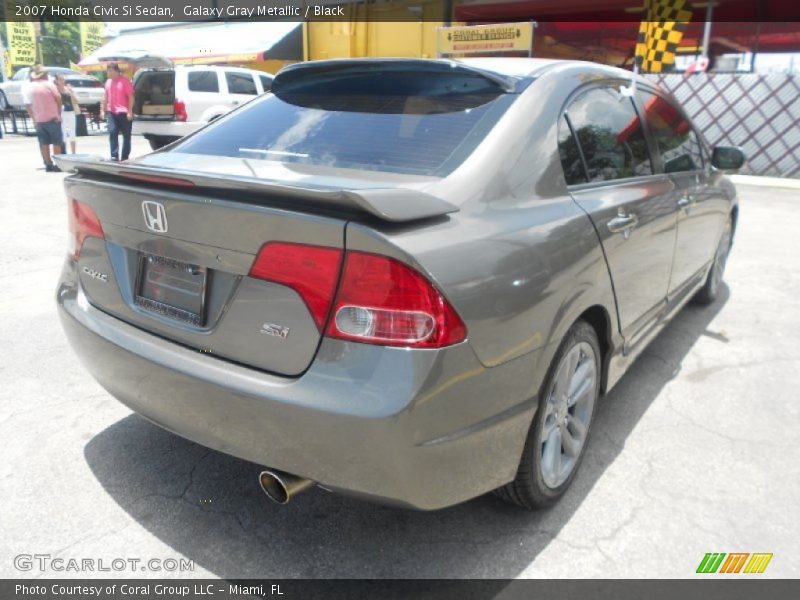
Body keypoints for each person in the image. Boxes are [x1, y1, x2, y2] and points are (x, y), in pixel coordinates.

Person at [28, 65, 63, 172]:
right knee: (57, 143)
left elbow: (29, 104)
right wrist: (59, 114)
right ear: (44, 75)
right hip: (52, 117)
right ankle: (57, 164)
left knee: (44, 144)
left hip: (39, 119)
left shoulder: (31, 87)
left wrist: (34, 118)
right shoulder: (49, 85)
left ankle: (48, 164)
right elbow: (58, 99)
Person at [103, 63, 134, 161]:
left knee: (126, 136)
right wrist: (103, 109)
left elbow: (131, 97)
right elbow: (106, 97)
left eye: (111, 70)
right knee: (112, 132)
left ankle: (125, 157)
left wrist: (130, 111)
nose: (109, 73)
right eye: (108, 71)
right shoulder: (108, 82)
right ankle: (114, 155)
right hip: (112, 112)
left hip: (124, 112)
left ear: (116, 71)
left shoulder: (125, 81)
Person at [54, 74, 81, 154]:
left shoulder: (68, 90)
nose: (62, 81)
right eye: (60, 80)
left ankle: (73, 153)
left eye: (63, 79)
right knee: (64, 133)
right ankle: (64, 152)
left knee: (72, 133)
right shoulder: (55, 91)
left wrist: (71, 92)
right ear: (56, 81)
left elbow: (76, 101)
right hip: (62, 113)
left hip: (71, 112)